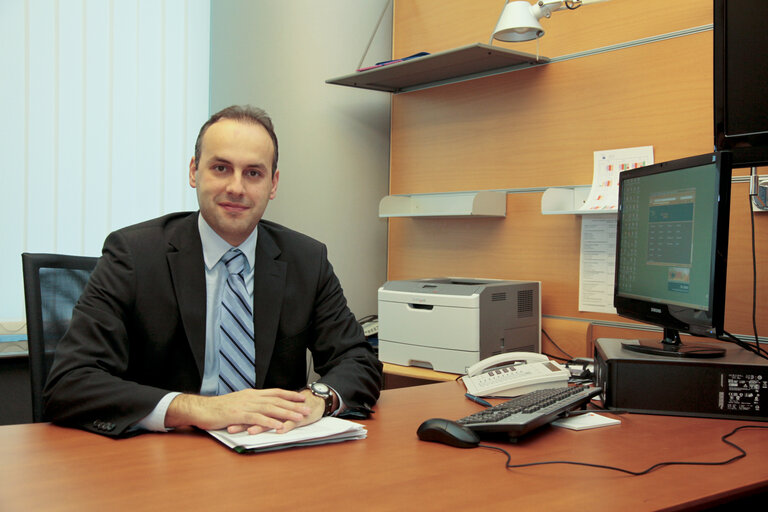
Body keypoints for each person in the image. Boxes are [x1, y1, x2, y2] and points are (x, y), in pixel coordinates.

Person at [43, 105, 383, 437]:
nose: (236, 187)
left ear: (273, 184)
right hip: (164, 460)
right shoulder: (133, 255)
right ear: (194, 171)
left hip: (270, 452)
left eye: (253, 173)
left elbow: (359, 360)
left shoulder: (306, 260)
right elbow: (70, 381)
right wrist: (202, 409)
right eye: (221, 168)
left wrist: (316, 400)